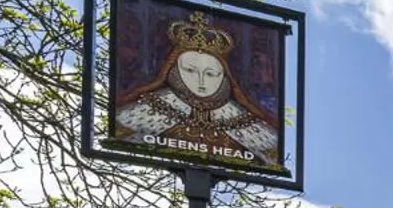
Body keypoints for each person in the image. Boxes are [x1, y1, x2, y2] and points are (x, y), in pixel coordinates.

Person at [112, 10, 281, 170]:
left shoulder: (248, 121)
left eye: (211, 73)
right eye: (190, 70)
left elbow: (270, 156)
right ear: (174, 70)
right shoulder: (146, 107)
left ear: (224, 77)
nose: (201, 80)